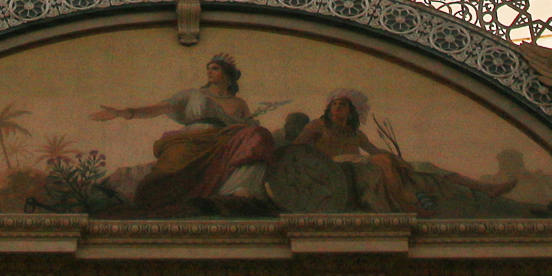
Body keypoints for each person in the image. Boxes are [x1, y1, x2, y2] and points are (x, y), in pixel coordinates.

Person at [91, 53, 276, 213]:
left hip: (225, 145)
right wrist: (125, 113)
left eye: (215, 68)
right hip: (192, 141)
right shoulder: (193, 95)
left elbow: (247, 129)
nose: (209, 72)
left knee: (259, 135)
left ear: (227, 74)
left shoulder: (239, 104)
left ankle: (238, 191)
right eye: (208, 68)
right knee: (158, 182)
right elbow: (159, 108)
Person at [283, 90, 416, 211]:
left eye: (342, 104)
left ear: (350, 112)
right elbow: (297, 146)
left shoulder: (356, 133)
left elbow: (373, 150)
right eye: (334, 104)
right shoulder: (318, 125)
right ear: (329, 109)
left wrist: (398, 159)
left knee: (385, 160)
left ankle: (401, 200)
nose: (337, 106)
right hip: (333, 163)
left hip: (357, 162)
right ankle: (402, 202)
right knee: (383, 160)